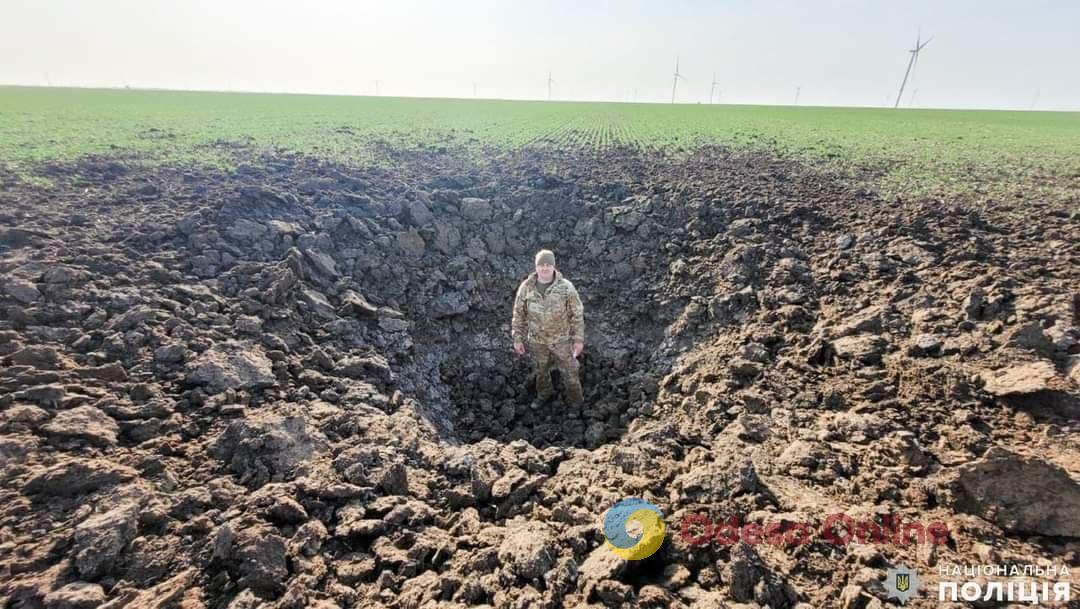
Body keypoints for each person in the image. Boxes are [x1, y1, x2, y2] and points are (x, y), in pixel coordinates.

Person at [511, 249, 585, 407]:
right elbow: (518, 314)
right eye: (541, 265)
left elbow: (577, 315)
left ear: (553, 266)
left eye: (548, 265)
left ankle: (576, 402)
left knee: (570, 372)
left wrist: (578, 339)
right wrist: (517, 338)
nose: (544, 268)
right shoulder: (526, 287)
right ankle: (544, 394)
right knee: (541, 371)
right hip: (537, 341)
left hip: (562, 341)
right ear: (536, 266)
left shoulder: (566, 288)